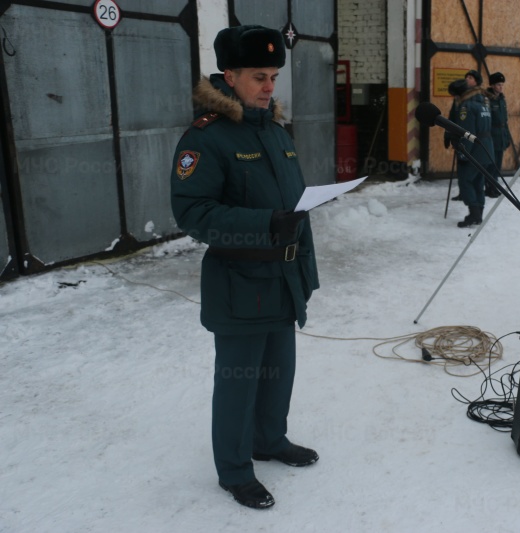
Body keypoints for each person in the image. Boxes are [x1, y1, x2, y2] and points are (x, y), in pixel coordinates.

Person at [170, 25, 320, 510]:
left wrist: (306, 271)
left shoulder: (275, 132)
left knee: (279, 373)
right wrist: (264, 223)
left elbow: (297, 208)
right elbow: (193, 213)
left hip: (282, 281)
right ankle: (234, 471)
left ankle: (269, 440)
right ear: (229, 76)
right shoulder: (206, 138)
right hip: (239, 284)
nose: (269, 86)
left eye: (273, 76)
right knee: (238, 383)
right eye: (259, 76)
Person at [444, 75, 494, 228]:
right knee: (478, 182)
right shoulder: (483, 103)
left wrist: (462, 152)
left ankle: (474, 214)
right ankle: (478, 213)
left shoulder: (466, 107)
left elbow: (468, 133)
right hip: (486, 149)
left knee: (466, 181)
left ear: (459, 94)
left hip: (474, 151)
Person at [486, 72, 512, 198]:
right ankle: (489, 187)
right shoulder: (488, 99)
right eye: (498, 85)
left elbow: (504, 121)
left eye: (502, 84)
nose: (501, 87)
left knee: (498, 164)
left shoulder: (501, 99)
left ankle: (494, 185)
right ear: (492, 85)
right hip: (492, 135)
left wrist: (506, 136)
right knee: (491, 164)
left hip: (501, 135)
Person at [445, 78, 469, 201]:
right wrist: (447, 135)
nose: (454, 97)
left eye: (455, 95)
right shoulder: (457, 102)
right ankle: (463, 193)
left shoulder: (469, 103)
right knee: (461, 169)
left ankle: (469, 195)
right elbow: (452, 119)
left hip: (468, 140)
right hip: (459, 139)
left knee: (468, 169)